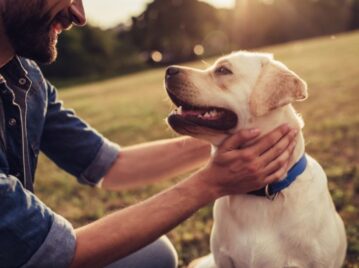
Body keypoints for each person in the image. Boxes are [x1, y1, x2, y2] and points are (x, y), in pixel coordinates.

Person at [0, 0, 298, 267]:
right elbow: (53, 255)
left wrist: (240, 134)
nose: (79, 15)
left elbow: (112, 165)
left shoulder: (26, 79)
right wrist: (210, 183)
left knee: (155, 254)